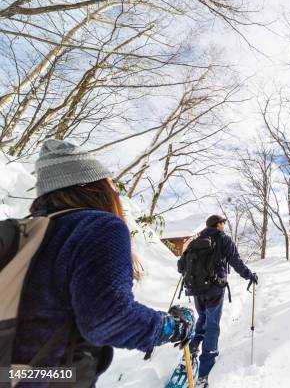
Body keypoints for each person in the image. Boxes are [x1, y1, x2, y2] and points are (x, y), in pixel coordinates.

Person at [11, 139, 195, 387]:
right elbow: (107, 320)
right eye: (110, 183)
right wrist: (172, 327)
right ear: (92, 186)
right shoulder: (98, 226)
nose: (116, 192)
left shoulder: (25, 232)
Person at [178, 214, 258, 388]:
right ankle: (204, 374)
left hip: (196, 290)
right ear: (218, 224)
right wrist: (249, 275)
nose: (224, 226)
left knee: (203, 319)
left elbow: (180, 267)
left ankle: (191, 351)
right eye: (223, 223)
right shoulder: (223, 240)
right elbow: (236, 261)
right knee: (212, 325)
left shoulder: (195, 241)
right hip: (215, 289)